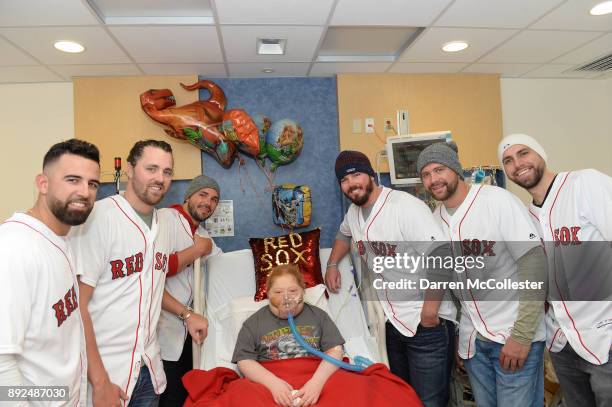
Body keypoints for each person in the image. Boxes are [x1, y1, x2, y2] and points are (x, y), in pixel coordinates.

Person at [71, 139, 207, 407]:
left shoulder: (164, 224)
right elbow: (78, 306)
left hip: (148, 371)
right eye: (152, 169)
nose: (160, 178)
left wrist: (187, 314)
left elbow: (151, 285)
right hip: (106, 374)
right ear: (131, 169)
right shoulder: (99, 219)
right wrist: (99, 382)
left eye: (167, 172)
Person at [417, 141, 548, 407]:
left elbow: (534, 263)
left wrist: (521, 336)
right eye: (426, 174)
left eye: (439, 169)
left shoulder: (496, 201)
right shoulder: (435, 219)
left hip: (513, 335)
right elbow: (450, 283)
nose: (433, 179)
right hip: (474, 343)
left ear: (455, 169)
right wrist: (460, 340)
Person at [324, 150, 456, 407]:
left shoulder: (404, 207)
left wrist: (429, 312)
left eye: (357, 175)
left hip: (426, 323)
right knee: (402, 399)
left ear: (371, 174)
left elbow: (440, 255)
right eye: (344, 180)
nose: (352, 184)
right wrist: (332, 264)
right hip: (393, 322)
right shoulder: (354, 213)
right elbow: (343, 235)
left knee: (429, 402)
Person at [499, 133, 612, 407]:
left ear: (540, 153)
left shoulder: (585, 184)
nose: (518, 164)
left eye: (523, 153)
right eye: (508, 161)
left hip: (606, 337)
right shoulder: (526, 218)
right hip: (563, 344)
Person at [0, 139, 100, 405]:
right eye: (72, 180)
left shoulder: (59, 238)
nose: (85, 192)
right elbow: (2, 364)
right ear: (43, 184)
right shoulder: (14, 247)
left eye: (92, 184)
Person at [232, 264, 345, 407]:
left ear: (303, 291)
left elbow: (336, 351)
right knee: (240, 393)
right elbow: (244, 361)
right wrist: (273, 384)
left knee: (353, 387)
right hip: (269, 380)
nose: (286, 298)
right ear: (268, 294)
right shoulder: (253, 323)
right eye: (278, 292)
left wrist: (317, 383)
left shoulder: (319, 316)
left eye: (293, 290)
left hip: (316, 374)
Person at [158, 175, 223, 407]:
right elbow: (160, 268)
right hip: (165, 329)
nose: (208, 202)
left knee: (185, 396)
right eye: (203, 195)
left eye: (214, 199)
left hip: (190, 333)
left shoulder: (204, 235)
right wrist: (197, 250)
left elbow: (223, 267)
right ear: (189, 196)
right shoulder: (166, 219)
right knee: (169, 397)